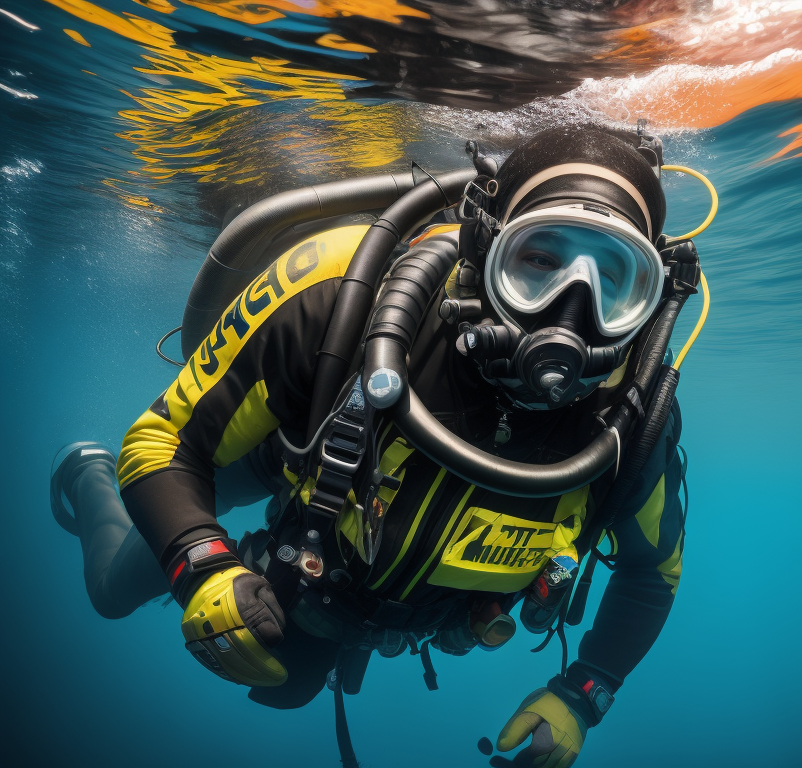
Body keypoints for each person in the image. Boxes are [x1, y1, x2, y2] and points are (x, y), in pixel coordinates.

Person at [51, 124, 700, 768]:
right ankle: (87, 474)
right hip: (301, 456)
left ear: (649, 300)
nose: (571, 314)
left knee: (289, 673)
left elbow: (652, 572)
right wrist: (200, 568)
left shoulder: (631, 421)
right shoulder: (340, 288)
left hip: (374, 602)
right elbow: (165, 439)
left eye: (616, 279)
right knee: (112, 592)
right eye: (538, 260)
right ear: (486, 247)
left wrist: (584, 693)